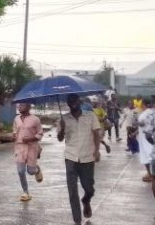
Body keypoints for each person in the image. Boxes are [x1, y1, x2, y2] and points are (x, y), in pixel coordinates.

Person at [57, 94, 101, 225]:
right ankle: (77, 220)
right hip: (70, 157)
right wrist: (62, 128)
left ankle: (86, 200)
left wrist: (97, 151)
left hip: (88, 157)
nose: (73, 103)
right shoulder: (64, 118)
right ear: (68, 103)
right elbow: (60, 138)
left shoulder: (90, 116)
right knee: (72, 190)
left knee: (89, 188)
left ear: (79, 101)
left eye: (74, 100)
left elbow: (96, 134)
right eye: (70, 101)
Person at [12, 103, 44, 202]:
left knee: (30, 171)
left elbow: (40, 133)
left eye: (22, 105)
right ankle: (25, 192)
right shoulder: (16, 119)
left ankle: (36, 170)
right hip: (20, 147)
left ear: (28, 107)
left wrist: (30, 138)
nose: (19, 107)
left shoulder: (35, 119)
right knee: (20, 171)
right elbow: (14, 130)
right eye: (19, 106)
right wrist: (13, 135)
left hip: (32, 147)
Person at [137, 99, 154, 182]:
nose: (140, 105)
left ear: (144, 104)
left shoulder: (146, 113)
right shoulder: (151, 112)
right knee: (149, 154)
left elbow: (142, 124)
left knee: (147, 155)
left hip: (145, 137)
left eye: (141, 104)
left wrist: (136, 122)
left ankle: (150, 174)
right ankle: (149, 174)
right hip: (147, 136)